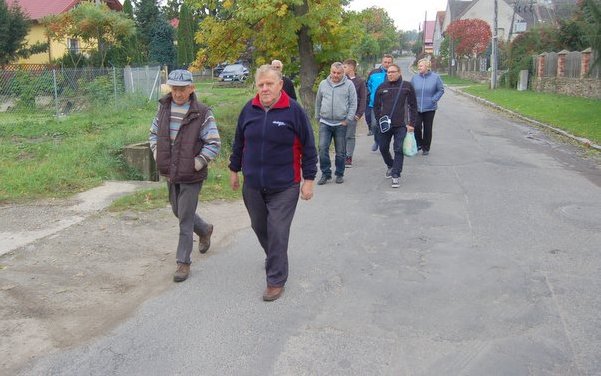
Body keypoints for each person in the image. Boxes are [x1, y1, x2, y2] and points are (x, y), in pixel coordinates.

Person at [229, 65, 317, 302]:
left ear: (280, 85)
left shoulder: (293, 111)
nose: (265, 88)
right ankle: (275, 256)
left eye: (269, 84)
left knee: (278, 229)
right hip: (253, 184)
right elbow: (239, 142)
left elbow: (309, 147)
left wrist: (309, 180)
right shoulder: (249, 109)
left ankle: (275, 279)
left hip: (285, 184)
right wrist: (234, 170)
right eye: (261, 84)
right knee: (260, 226)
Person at [149, 69, 221, 282]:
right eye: (174, 89)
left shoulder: (202, 112)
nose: (178, 93)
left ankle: (183, 262)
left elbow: (214, 143)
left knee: (185, 218)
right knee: (177, 210)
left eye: (182, 89)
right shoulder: (163, 108)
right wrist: (156, 152)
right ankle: (205, 230)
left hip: (191, 174)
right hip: (170, 172)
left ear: (192, 88)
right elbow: (153, 133)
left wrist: (196, 163)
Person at [373, 63, 417, 188]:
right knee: (383, 148)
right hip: (385, 125)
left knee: (398, 149)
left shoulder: (407, 87)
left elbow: (413, 106)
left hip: (401, 125)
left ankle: (396, 174)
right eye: (388, 72)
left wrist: (411, 123)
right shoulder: (382, 87)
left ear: (399, 72)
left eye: (393, 72)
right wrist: (379, 119)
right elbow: (376, 106)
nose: (390, 74)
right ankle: (391, 165)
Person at [315, 62, 357, 185]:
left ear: (343, 73)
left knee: (340, 151)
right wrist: (318, 117)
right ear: (330, 71)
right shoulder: (323, 84)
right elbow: (318, 101)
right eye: (333, 72)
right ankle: (325, 173)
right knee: (322, 148)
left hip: (341, 123)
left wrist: (348, 119)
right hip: (325, 121)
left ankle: (339, 173)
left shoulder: (349, 85)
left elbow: (353, 103)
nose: (336, 75)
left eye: (338, 73)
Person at [410, 58, 444, 155]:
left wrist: (433, 99)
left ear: (427, 67)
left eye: (421, 66)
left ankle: (426, 148)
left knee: (427, 128)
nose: (418, 67)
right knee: (416, 126)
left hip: (430, 107)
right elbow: (411, 90)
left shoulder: (435, 77)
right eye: (418, 65)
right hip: (417, 107)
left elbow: (441, 90)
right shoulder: (415, 78)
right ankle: (419, 143)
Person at [366, 54, 393, 152]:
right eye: (385, 62)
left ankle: (384, 144)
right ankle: (377, 141)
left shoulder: (393, 73)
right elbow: (367, 86)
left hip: (389, 105)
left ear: (392, 63)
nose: (387, 64)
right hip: (375, 104)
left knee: (387, 126)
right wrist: (370, 97)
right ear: (382, 62)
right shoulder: (373, 73)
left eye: (389, 62)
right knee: (374, 125)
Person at [343, 58, 367, 168]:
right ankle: (341, 155)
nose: (343, 69)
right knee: (341, 135)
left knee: (350, 135)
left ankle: (349, 156)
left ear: (351, 68)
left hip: (353, 113)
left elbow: (363, 98)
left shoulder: (360, 81)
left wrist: (359, 114)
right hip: (341, 113)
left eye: (345, 67)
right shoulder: (342, 80)